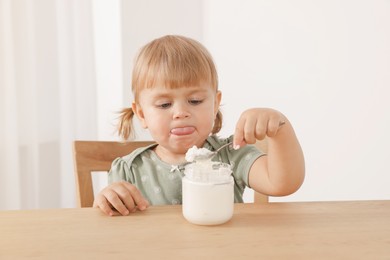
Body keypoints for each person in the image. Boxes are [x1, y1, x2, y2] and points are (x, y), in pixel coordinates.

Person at [93, 35, 305, 216]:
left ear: (215, 104)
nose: (180, 113)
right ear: (141, 114)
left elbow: (282, 184)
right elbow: (109, 222)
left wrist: (281, 129)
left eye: (195, 101)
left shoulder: (231, 156)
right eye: (164, 104)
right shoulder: (130, 170)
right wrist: (106, 201)